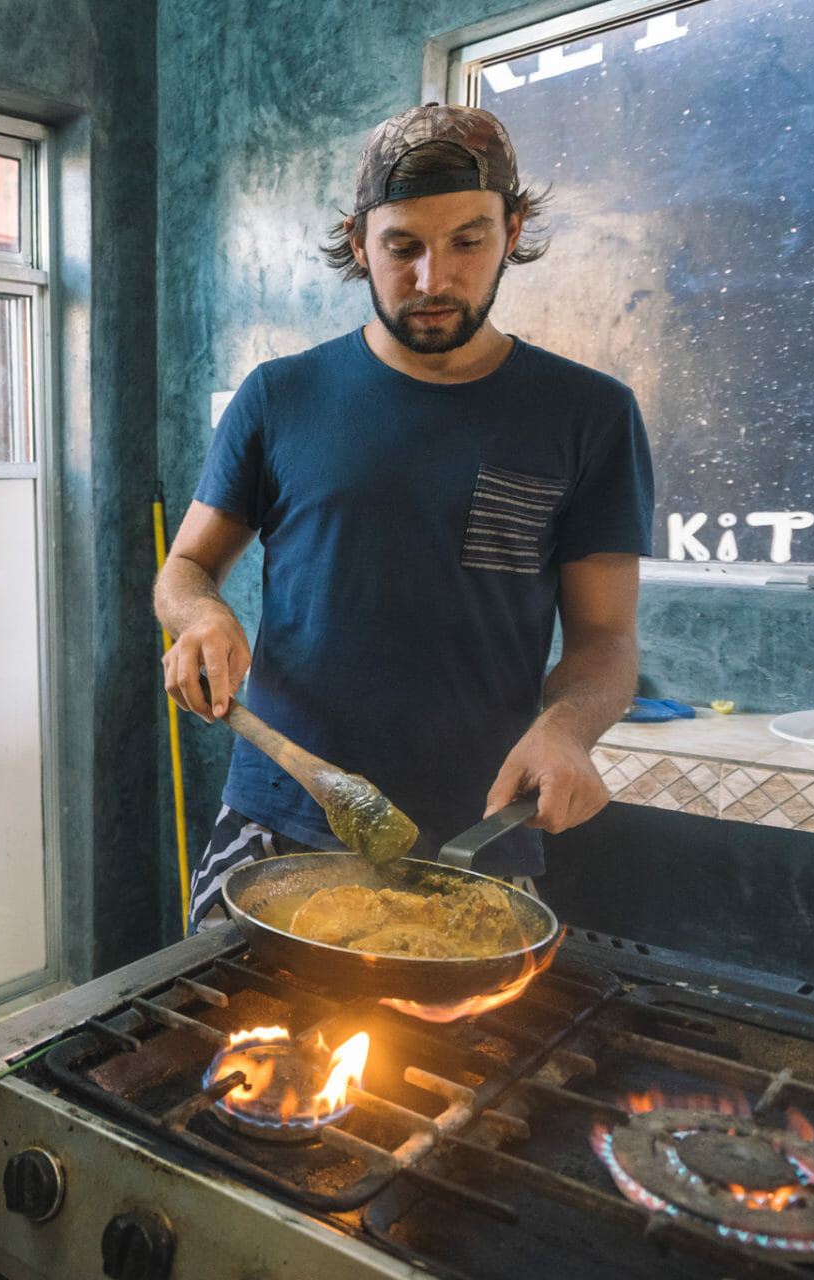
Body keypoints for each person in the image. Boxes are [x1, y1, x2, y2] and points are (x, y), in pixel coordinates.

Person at [155, 104, 654, 932]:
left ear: (512, 228)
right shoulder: (279, 397)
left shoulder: (589, 415)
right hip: (279, 820)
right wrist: (199, 613)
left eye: (468, 240)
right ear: (359, 243)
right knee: (226, 1050)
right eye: (402, 247)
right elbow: (185, 569)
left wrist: (569, 731)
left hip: (479, 836)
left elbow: (605, 642)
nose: (433, 279)